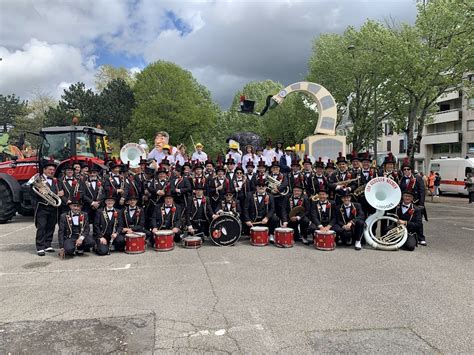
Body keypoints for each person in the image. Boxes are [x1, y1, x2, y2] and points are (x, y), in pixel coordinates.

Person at [32, 159, 64, 256]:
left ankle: (47, 244)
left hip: (53, 207)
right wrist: (40, 193)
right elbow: (32, 193)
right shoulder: (39, 180)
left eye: (53, 170)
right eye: (50, 170)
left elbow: (60, 190)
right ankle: (40, 247)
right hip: (42, 207)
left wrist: (61, 193)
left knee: (51, 225)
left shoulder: (56, 180)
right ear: (44, 170)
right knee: (41, 227)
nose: (52, 171)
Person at [243, 178, 279, 242]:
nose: (261, 187)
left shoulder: (270, 196)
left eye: (263, 186)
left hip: (264, 220)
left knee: (275, 218)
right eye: (259, 186)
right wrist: (247, 220)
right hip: (253, 220)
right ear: (256, 187)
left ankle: (271, 235)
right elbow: (245, 208)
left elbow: (272, 209)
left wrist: (267, 218)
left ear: (266, 187)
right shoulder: (250, 195)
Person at [94, 189, 125, 255]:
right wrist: (101, 237)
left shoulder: (118, 211)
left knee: (122, 240)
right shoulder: (99, 211)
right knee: (103, 252)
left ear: (114, 202)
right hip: (103, 235)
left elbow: (121, 225)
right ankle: (97, 246)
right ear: (105, 202)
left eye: (111, 201)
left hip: (113, 235)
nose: (110, 202)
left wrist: (116, 233)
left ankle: (113, 245)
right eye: (108, 200)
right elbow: (96, 226)